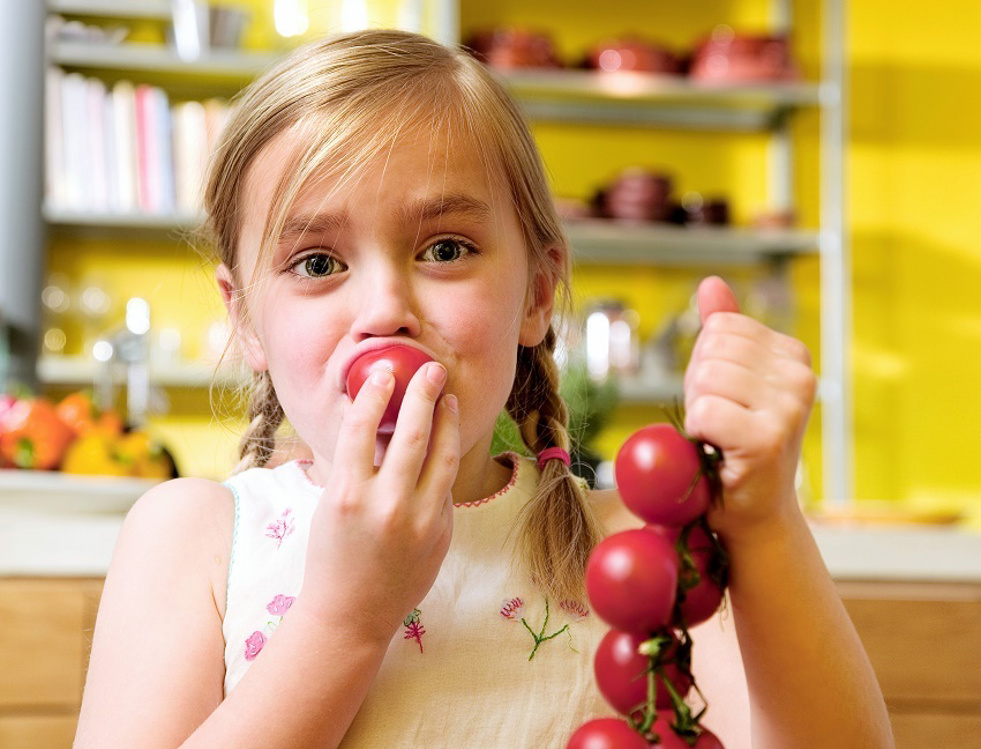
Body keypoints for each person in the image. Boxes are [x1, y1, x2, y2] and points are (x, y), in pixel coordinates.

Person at [74, 29, 893, 749]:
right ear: (245, 317)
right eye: (318, 263)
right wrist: (343, 622)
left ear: (537, 293)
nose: (385, 309)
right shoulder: (193, 538)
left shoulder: (627, 547)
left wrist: (766, 522)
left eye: (445, 249)